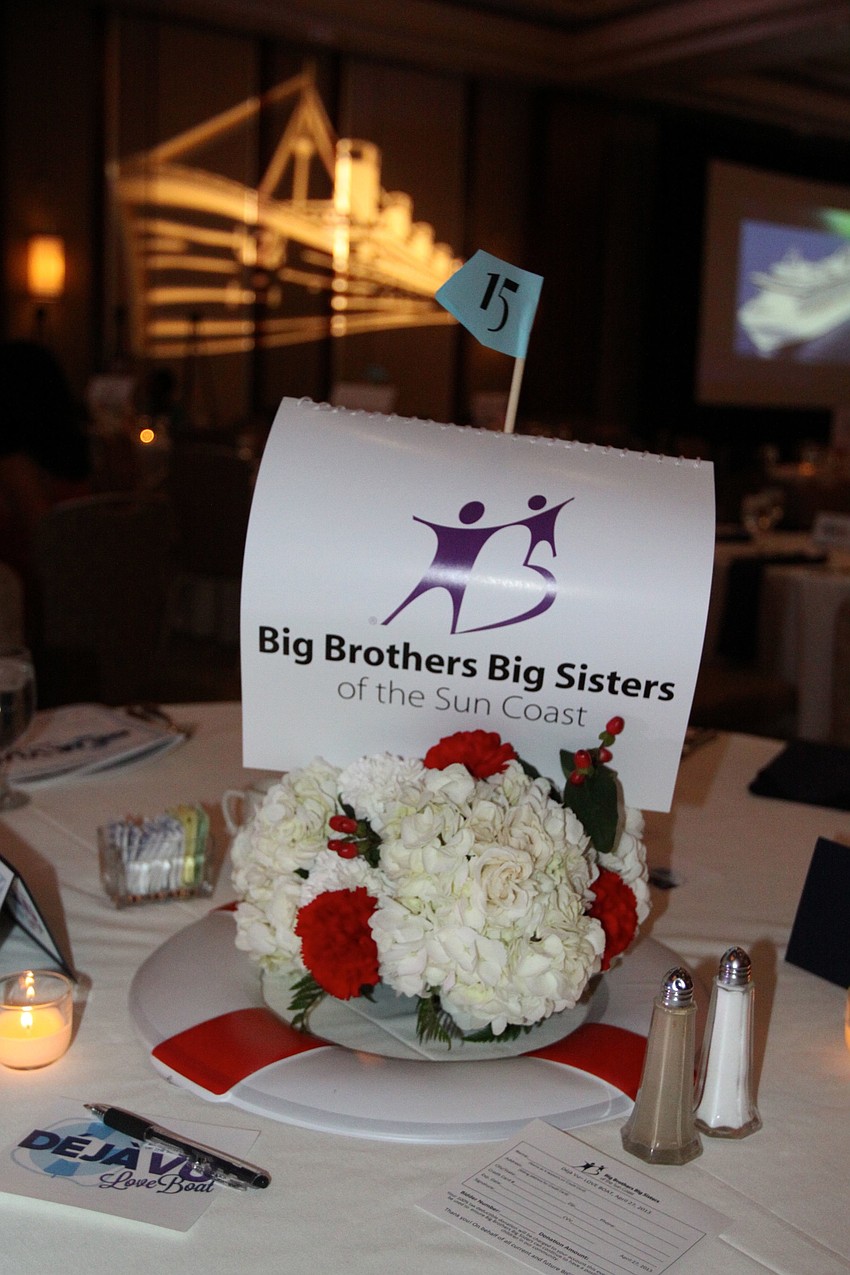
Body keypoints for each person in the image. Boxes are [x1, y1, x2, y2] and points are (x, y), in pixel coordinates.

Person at [0, 340, 92, 637]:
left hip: (39, 602)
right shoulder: (79, 451)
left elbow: (45, 542)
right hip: (93, 587)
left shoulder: (15, 464)